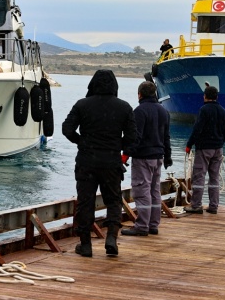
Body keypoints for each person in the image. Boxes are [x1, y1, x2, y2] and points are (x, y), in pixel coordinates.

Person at [62, 69, 137, 257]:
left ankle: (85, 244)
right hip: (111, 162)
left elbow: (67, 129)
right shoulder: (124, 107)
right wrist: (117, 148)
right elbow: (132, 138)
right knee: (113, 201)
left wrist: (82, 141)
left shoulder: (82, 105)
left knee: (85, 202)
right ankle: (111, 237)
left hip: (87, 161)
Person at [121, 81, 171, 236]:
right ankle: (153, 225)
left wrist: (124, 155)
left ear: (140, 94)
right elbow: (166, 137)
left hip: (143, 158)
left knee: (142, 191)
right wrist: (168, 156)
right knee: (154, 191)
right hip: (158, 157)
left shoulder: (140, 111)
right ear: (154, 94)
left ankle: (142, 226)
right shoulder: (164, 111)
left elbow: (136, 137)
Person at [184, 86, 225, 215]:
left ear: (204, 96)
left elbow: (197, 129)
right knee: (214, 178)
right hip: (218, 149)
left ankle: (196, 205)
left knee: (199, 176)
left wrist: (189, 144)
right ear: (217, 97)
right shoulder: (223, 111)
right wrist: (219, 143)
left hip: (204, 148)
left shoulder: (203, 110)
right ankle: (213, 205)